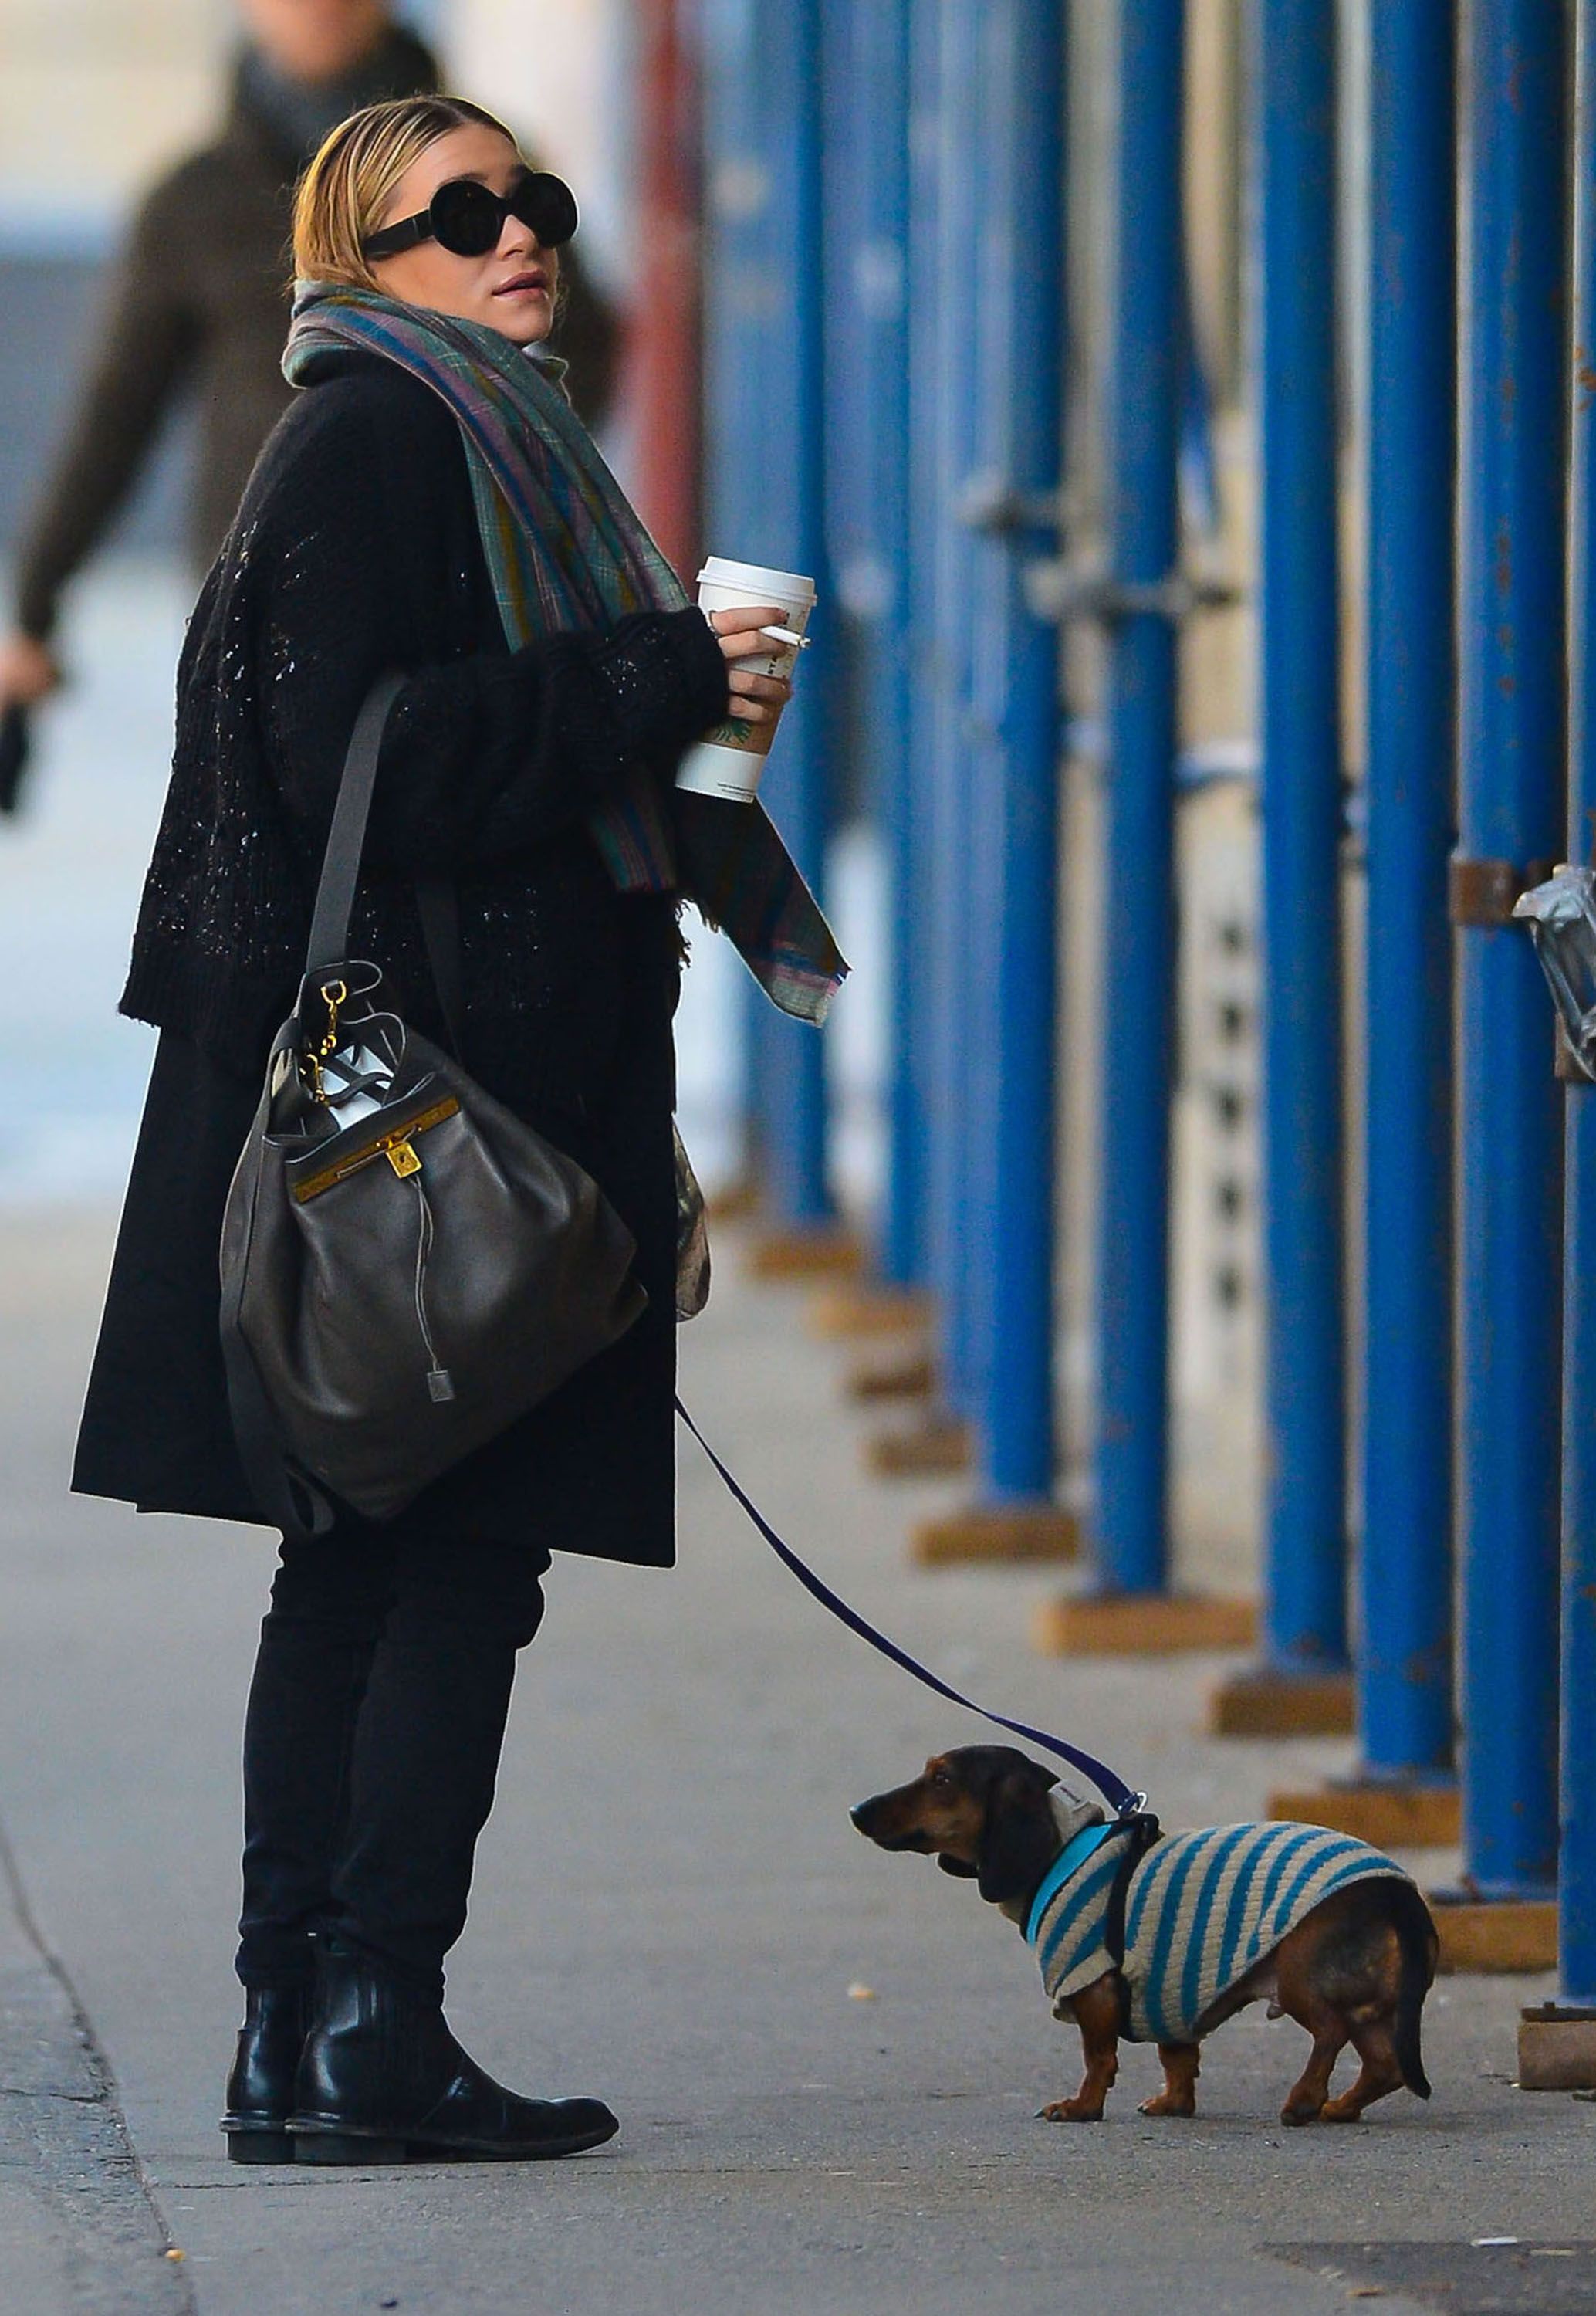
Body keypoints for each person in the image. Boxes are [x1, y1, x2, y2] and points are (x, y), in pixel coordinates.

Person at [71, 93, 842, 2165]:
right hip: (429, 1117)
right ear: (354, 252)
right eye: (462, 214)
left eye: (536, 204)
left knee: (365, 1572)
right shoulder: (384, 435)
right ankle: (365, 2031)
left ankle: (301, 2040)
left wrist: (677, 715)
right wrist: (648, 666)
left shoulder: (482, 438)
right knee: (438, 1574)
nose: (517, 239)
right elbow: (366, 770)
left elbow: (443, 738)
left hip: (442, 1092)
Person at [0, 0, 619, 726]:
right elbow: (116, 419)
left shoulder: (486, 172)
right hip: (269, 576)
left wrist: (524, 466)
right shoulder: (195, 202)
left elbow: (590, 335)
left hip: (458, 559)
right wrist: (35, 608)